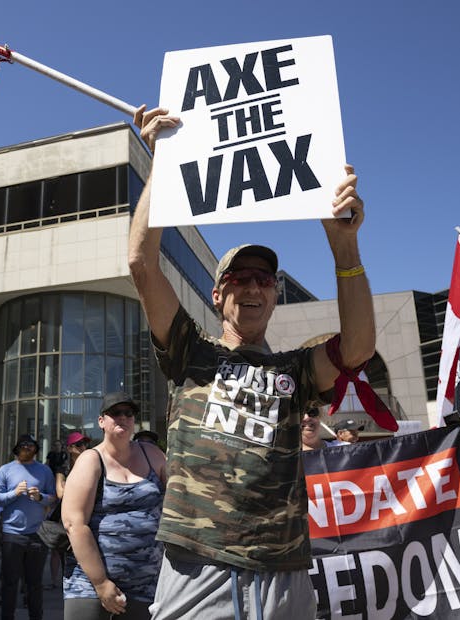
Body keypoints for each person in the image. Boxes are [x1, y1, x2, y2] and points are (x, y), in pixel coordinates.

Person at [128, 106, 375, 619]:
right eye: (240, 278)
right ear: (218, 296)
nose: (254, 286)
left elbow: (356, 349)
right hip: (198, 566)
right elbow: (141, 263)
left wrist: (345, 247)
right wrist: (162, 163)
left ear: (276, 295)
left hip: (282, 570)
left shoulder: (295, 370)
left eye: (264, 279)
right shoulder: (189, 351)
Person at [61, 392, 167, 620]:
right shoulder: (90, 460)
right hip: (90, 585)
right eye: (115, 413)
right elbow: (74, 524)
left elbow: (179, 497)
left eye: (128, 414)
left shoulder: (152, 454)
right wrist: (101, 584)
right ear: (101, 421)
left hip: (146, 584)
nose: (123, 418)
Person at [0, 434, 56, 620]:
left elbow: (54, 499)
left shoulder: (44, 471)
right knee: (10, 583)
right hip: (12, 534)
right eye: (24, 445)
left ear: (36, 449)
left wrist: (41, 497)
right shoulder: (5, 470)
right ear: (17, 448)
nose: (27, 448)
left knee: (35, 584)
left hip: (37, 534)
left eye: (31, 445)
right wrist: (14, 493)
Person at [49, 432, 90, 590]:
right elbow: (60, 493)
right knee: (58, 549)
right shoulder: (62, 468)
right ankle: (55, 581)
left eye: (84, 444)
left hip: (84, 512)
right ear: (69, 448)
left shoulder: (91, 465)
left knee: (80, 547)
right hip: (64, 514)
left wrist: (69, 486)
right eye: (78, 445)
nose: (83, 448)